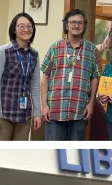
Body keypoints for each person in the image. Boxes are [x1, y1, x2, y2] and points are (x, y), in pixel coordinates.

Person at [41, 9, 101, 141]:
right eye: (73, 22)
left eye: (80, 23)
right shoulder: (55, 48)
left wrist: (91, 103)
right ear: (66, 25)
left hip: (79, 109)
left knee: (75, 150)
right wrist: (44, 105)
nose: (76, 26)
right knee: (53, 150)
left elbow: (95, 78)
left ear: (84, 26)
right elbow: (45, 76)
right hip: (55, 109)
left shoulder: (91, 50)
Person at [0, 13, 42, 141]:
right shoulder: (3, 51)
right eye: (22, 26)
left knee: (18, 153)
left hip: (24, 115)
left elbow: (35, 86)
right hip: (4, 114)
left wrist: (37, 113)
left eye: (30, 26)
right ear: (14, 29)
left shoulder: (34, 54)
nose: (26, 29)